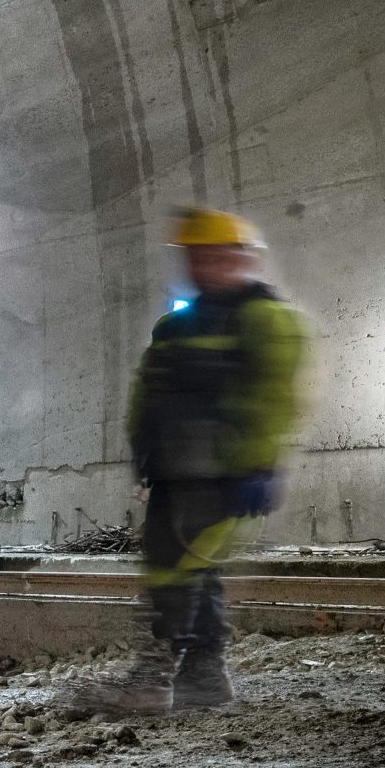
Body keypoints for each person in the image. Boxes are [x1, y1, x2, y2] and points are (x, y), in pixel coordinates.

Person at [106, 208, 308, 713]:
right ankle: (205, 679)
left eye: (218, 256)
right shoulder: (173, 326)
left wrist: (259, 467)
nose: (205, 266)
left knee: (173, 571)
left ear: (245, 260)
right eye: (197, 257)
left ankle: (152, 676)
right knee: (193, 572)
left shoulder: (268, 320)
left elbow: (275, 399)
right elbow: (145, 394)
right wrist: (143, 454)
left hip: (225, 476)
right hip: (174, 472)